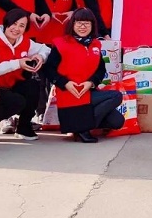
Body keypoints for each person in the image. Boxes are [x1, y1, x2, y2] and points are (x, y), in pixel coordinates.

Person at [43, 8, 124, 142]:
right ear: (72, 24)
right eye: (79, 23)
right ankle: (82, 129)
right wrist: (65, 83)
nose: (83, 26)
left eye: (87, 23)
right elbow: (49, 69)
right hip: (70, 93)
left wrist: (91, 83)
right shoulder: (61, 43)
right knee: (116, 96)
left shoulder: (95, 44)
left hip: (88, 91)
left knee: (117, 121)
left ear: (92, 26)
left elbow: (100, 70)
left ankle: (80, 127)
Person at [0, 9, 51, 141]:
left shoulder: (24, 41)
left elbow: (45, 49)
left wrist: (40, 56)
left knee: (32, 86)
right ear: (6, 23)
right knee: (16, 101)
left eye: (22, 25)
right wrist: (18, 63)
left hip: (11, 86)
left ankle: (24, 126)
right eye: (14, 23)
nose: (17, 28)